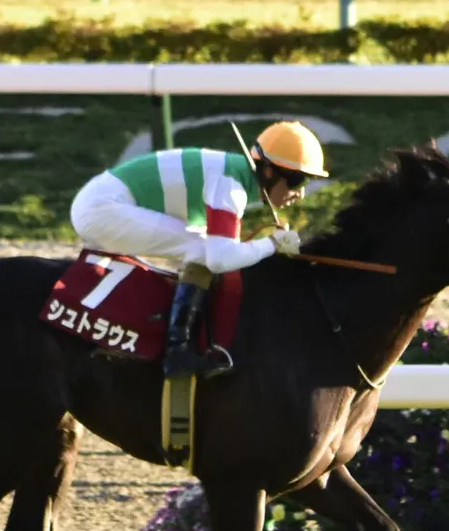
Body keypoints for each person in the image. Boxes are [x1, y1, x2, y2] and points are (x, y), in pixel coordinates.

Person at [69, 120, 328, 379]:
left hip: (102, 203)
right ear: (270, 172)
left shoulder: (234, 175)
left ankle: (181, 339)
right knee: (201, 248)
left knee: (203, 244)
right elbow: (220, 259)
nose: (301, 193)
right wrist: (272, 244)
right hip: (101, 209)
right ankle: (177, 352)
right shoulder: (229, 185)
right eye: (298, 181)